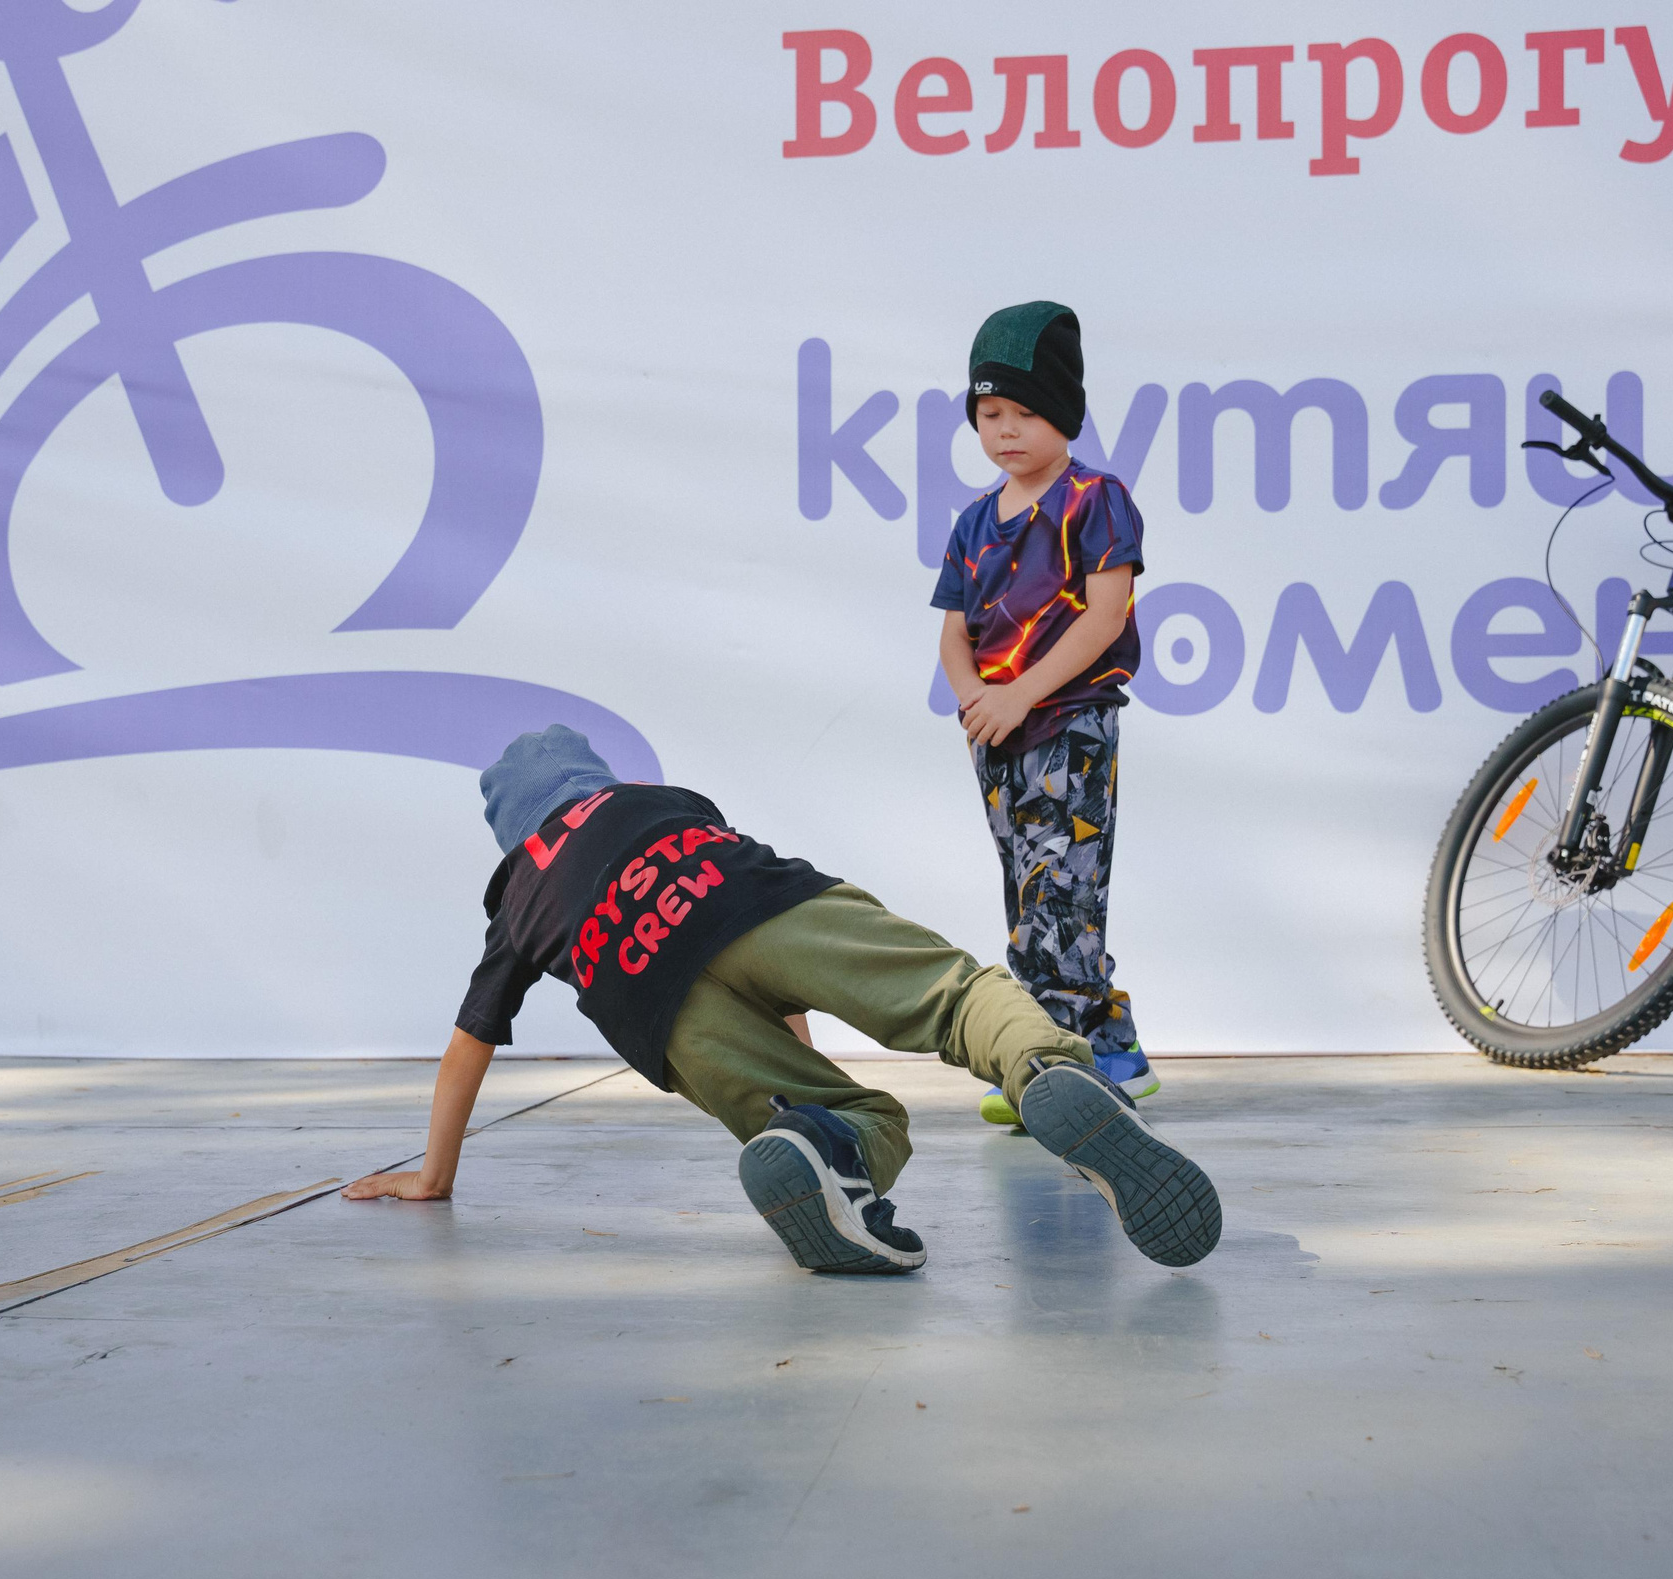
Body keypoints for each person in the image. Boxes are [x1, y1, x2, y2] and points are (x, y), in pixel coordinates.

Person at [339, 726, 1221, 1276]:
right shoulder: (658, 799)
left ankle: (820, 1141)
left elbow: (470, 1042)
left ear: (515, 832)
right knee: (952, 997)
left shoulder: (520, 895)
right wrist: (799, 1021)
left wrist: (435, 1176)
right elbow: (770, 959)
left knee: (852, 1117)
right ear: (592, 779)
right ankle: (1044, 1071)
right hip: (751, 900)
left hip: (657, 1006)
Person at [933, 301, 1156, 1127]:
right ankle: (1112, 1045)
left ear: (1063, 412)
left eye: (1026, 412)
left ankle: (1048, 1062)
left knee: (1061, 890)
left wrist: (1022, 692)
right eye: (991, 413)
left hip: (1071, 723)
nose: (1007, 430)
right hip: (995, 736)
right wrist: (978, 701)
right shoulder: (971, 523)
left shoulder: (1095, 499)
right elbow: (953, 638)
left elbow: (1104, 615)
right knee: (1030, 894)